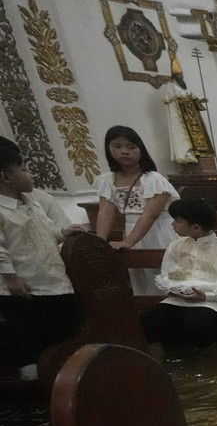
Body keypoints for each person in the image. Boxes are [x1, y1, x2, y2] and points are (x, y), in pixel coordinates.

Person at [0, 136, 82, 380]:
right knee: (28, 333)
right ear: (5, 177)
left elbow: (47, 229)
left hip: (51, 280)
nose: (30, 174)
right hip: (22, 288)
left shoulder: (32, 203)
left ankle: (65, 372)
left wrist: (63, 232)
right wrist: (11, 278)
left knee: (62, 326)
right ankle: (33, 379)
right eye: (24, 169)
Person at [139, 198, 217, 349]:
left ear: (196, 227)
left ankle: (212, 364)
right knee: (149, 322)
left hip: (213, 302)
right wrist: (177, 286)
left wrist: (206, 296)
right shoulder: (175, 247)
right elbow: (169, 274)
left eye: (177, 221)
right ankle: (157, 367)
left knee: (198, 324)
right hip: (179, 299)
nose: (173, 225)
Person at [92, 125, 176, 296]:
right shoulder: (107, 180)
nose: (124, 152)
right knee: (143, 281)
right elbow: (105, 213)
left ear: (140, 149)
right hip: (131, 231)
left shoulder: (153, 179)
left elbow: (150, 215)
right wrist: (100, 243)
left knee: (168, 277)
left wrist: (128, 242)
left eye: (131, 147)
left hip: (159, 232)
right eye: (117, 146)